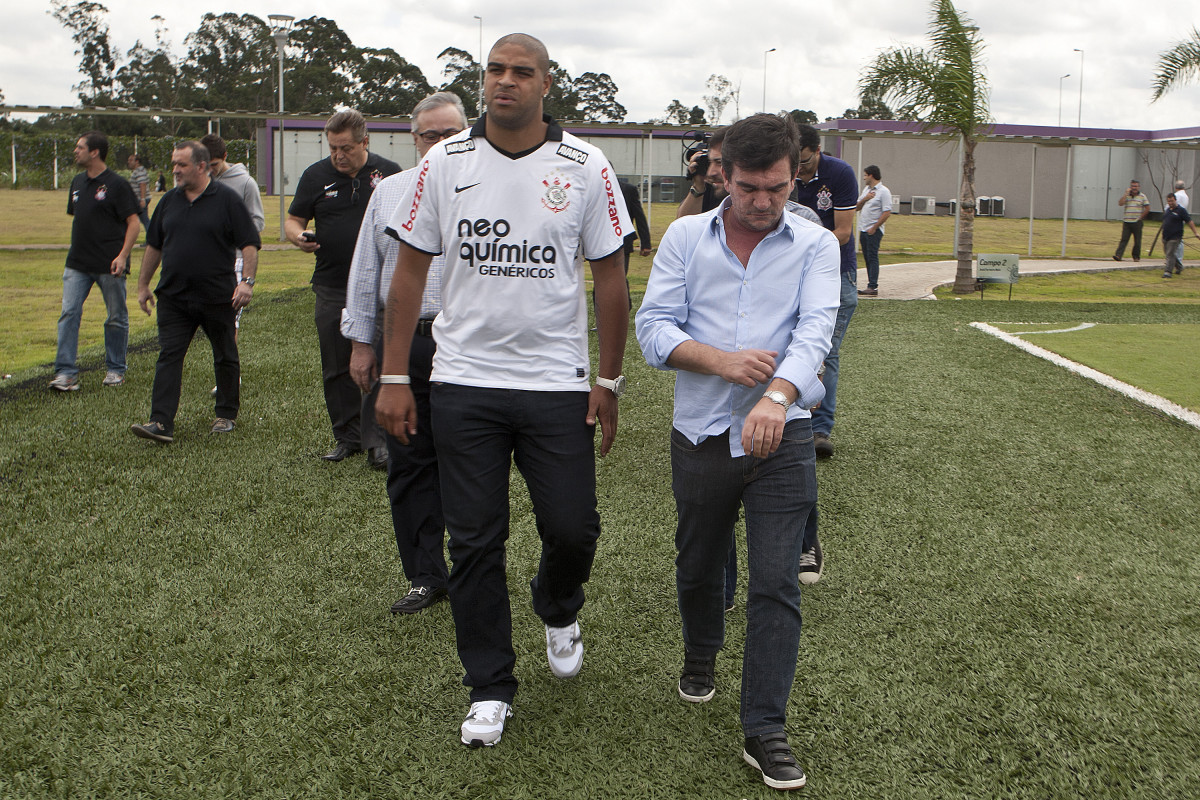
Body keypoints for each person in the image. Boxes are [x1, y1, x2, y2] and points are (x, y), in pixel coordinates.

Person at [376, 33, 632, 748]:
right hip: (463, 381)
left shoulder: (585, 164)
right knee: (476, 541)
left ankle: (557, 603)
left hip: (555, 383)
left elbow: (611, 280)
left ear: (547, 84)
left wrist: (608, 379)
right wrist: (396, 374)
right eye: (495, 70)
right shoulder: (445, 162)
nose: (504, 82)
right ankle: (488, 686)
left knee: (573, 526)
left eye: (521, 72)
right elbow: (408, 274)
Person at [635, 112, 839, 792]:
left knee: (775, 581)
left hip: (784, 434)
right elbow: (653, 329)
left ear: (792, 176)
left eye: (777, 189)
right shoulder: (687, 238)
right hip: (699, 434)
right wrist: (722, 363)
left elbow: (816, 335)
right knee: (698, 568)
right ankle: (700, 654)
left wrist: (777, 398)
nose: (762, 202)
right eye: (751, 187)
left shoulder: (815, 244)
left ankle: (765, 729)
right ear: (724, 173)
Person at [341, 91, 467, 614]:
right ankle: (425, 575)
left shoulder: (489, 193)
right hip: (407, 348)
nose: (438, 143)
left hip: (468, 349)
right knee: (410, 464)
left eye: (450, 134)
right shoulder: (389, 193)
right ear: (413, 140)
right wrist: (361, 343)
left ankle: (474, 569)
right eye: (428, 135)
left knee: (470, 463)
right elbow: (367, 271)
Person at [286, 109, 401, 467]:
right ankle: (346, 437)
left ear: (365, 142)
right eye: (333, 147)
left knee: (377, 363)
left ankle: (378, 441)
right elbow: (293, 220)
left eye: (346, 148)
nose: (339, 155)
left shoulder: (390, 173)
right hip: (332, 285)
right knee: (337, 367)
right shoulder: (315, 176)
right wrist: (297, 238)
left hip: (381, 287)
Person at [129, 141, 260, 443]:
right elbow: (154, 246)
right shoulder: (168, 202)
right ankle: (160, 422)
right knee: (169, 355)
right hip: (174, 297)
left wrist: (247, 282)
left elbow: (249, 243)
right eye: (174, 164)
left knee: (224, 353)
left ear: (202, 166)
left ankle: (225, 414)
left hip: (217, 296)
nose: (175, 170)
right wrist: (143, 285)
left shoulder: (226, 200)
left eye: (182, 165)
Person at [50, 131, 139, 392]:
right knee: (69, 314)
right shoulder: (77, 182)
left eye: (80, 147)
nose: (75, 151)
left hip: (109, 264)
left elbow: (133, 224)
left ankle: (115, 369)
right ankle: (66, 373)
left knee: (115, 317)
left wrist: (122, 256)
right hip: (77, 263)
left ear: (95, 152)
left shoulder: (117, 184)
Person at [791, 123, 858, 460]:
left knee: (824, 352)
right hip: (789, 275)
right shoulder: (782, 171)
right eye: (793, 162)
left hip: (836, 274)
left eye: (803, 161)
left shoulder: (840, 174)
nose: (798, 169)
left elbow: (843, 232)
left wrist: (802, 250)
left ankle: (819, 430)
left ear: (817, 151)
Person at [202, 133, 266, 395]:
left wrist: (230, 232)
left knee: (229, 320)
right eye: (205, 165)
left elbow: (258, 223)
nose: (210, 170)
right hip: (205, 261)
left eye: (214, 165)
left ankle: (230, 378)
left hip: (236, 260)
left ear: (225, 158)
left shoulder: (245, 183)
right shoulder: (200, 181)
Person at [855, 165, 892, 297]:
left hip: (873, 230)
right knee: (866, 257)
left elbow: (887, 212)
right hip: (863, 229)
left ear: (871, 175)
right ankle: (870, 284)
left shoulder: (884, 191)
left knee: (872, 257)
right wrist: (865, 199)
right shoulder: (866, 190)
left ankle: (873, 286)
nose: (864, 178)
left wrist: (875, 227)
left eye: (865, 175)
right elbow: (856, 207)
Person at [677, 127, 727, 218]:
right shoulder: (708, 187)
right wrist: (698, 187)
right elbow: (683, 225)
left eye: (719, 162)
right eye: (709, 162)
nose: (710, 172)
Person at [1160, 192, 1199, 278]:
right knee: (1169, 253)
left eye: (1172, 201)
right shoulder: (1167, 210)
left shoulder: (1181, 210)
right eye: (1168, 201)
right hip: (1166, 236)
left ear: (1175, 200)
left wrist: (1195, 233)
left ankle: (1168, 272)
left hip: (1175, 237)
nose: (1170, 203)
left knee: (1170, 253)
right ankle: (1179, 266)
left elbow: (1190, 221)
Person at [1113, 179, 1149, 262]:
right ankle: (1118, 255)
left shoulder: (1142, 196)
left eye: (1136, 186)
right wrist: (1125, 194)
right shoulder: (1127, 196)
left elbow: (1147, 208)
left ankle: (1136, 256)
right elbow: (1120, 203)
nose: (1134, 188)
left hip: (1137, 222)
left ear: (1139, 187)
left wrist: (1141, 217)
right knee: (1124, 239)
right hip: (1127, 221)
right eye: (1133, 186)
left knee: (1137, 240)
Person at [127, 153, 151, 230]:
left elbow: (142, 184)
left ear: (137, 161)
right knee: (144, 220)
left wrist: (142, 199)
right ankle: (151, 239)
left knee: (144, 220)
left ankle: (153, 238)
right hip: (138, 199)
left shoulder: (139, 171)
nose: (129, 162)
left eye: (131, 160)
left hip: (140, 199)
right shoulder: (137, 171)